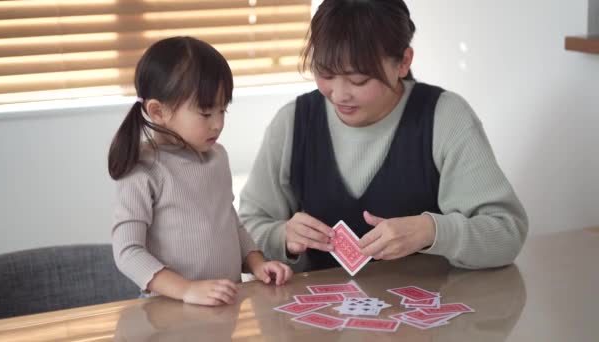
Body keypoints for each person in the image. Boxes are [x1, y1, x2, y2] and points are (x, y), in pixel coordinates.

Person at [238, 0, 528, 272]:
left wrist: (432, 231)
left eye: (358, 80)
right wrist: (281, 236)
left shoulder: (445, 117)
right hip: (318, 320)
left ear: (403, 62)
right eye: (325, 74)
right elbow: (244, 229)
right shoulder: (292, 122)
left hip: (428, 318)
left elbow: (507, 234)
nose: (338, 95)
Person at [108, 36, 293, 306]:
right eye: (206, 114)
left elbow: (230, 222)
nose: (218, 124)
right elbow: (128, 252)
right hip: (169, 311)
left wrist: (257, 263)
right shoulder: (143, 170)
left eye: (223, 110)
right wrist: (186, 289)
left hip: (223, 305)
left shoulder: (217, 157)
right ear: (158, 111)